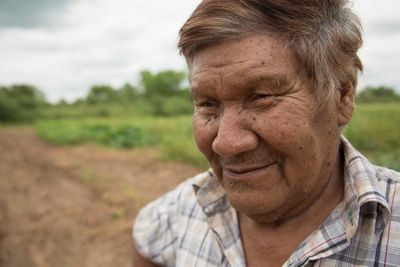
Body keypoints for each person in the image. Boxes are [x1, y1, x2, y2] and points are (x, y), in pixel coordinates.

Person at [132, 0, 400, 266]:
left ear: (342, 97)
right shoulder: (183, 209)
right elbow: (145, 238)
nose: (225, 143)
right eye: (207, 104)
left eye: (261, 96)